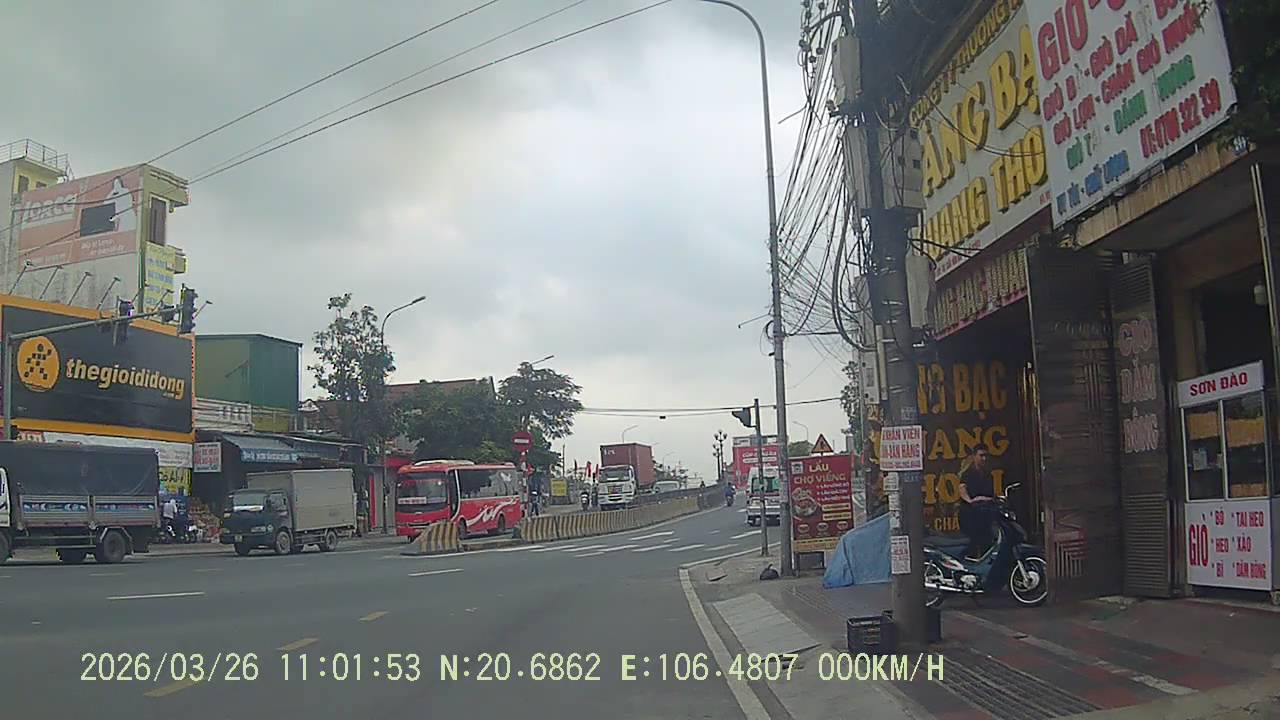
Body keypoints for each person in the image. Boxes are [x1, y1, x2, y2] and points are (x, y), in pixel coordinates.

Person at [957, 447, 997, 561]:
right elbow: (962, 489)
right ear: (974, 456)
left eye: (985, 456)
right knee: (973, 544)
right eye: (981, 455)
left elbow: (991, 494)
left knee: (987, 542)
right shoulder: (968, 473)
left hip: (984, 515)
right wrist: (970, 501)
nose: (984, 458)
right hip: (969, 515)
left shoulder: (988, 475)